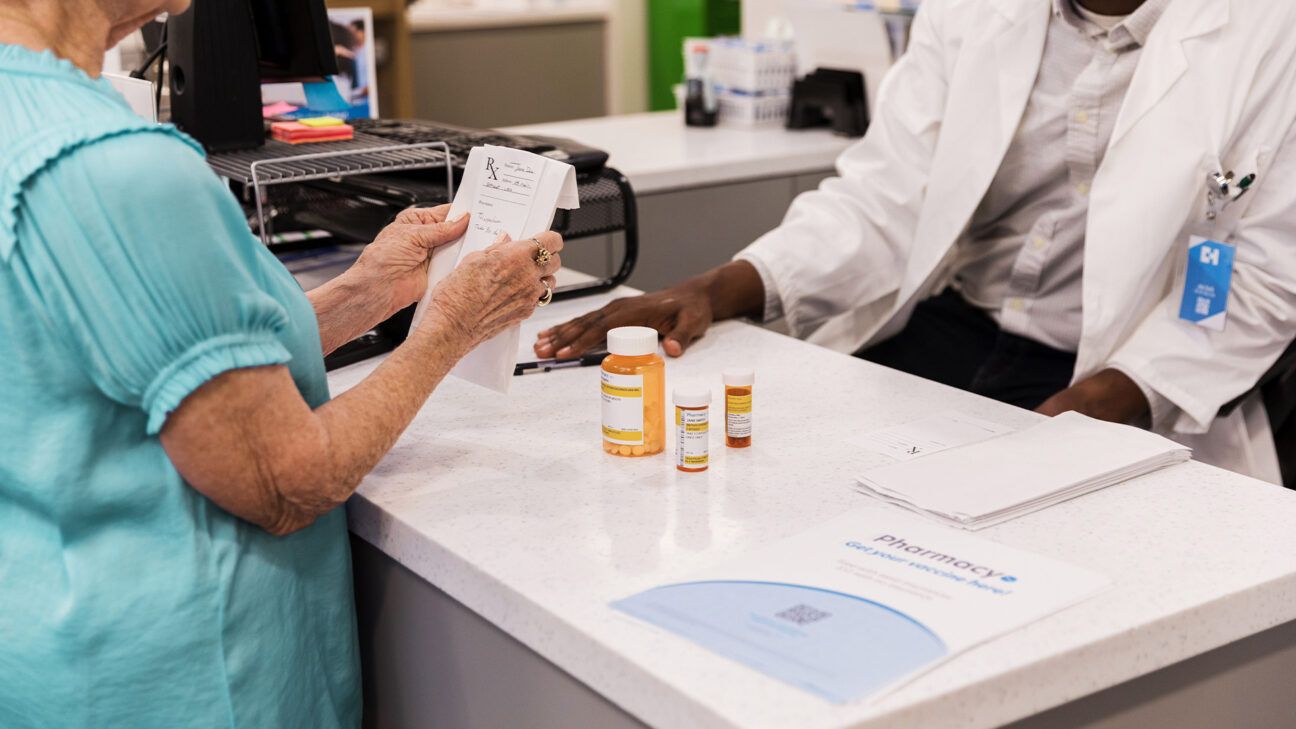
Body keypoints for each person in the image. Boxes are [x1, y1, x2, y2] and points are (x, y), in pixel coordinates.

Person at [0, 1, 563, 726]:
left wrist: (369, 293)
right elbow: (283, 479)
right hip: (188, 686)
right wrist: (452, 325)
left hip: (52, 657)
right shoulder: (117, 170)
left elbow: (144, 361)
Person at [536, 0, 1296, 483]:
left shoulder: (1271, 31)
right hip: (955, 332)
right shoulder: (970, 13)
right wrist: (720, 286)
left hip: (1121, 371)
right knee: (796, 489)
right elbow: (883, 197)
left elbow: (1260, 280)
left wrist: (1108, 400)